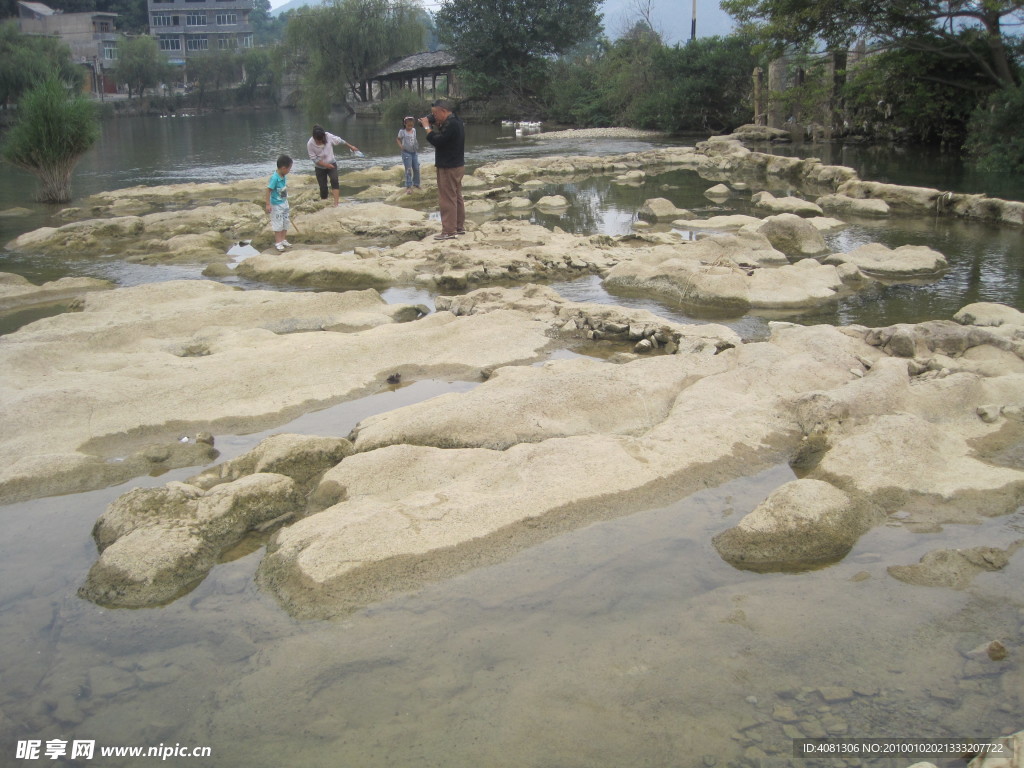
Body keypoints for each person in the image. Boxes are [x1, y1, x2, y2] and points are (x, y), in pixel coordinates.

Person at [420, 99, 465, 239]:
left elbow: (438, 141)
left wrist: (427, 128)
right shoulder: (456, 121)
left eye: (435, 113)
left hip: (448, 166)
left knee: (447, 198)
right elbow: (446, 139)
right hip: (457, 164)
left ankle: (449, 231)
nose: (434, 116)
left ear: (443, 111)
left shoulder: (451, 124)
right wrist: (437, 124)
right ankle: (458, 227)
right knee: (456, 197)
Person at [307, 124, 358, 207]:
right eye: (318, 141)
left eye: (321, 140)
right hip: (320, 167)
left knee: (334, 180)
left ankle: (336, 204)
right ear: (314, 137)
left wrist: (351, 146)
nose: (319, 142)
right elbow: (314, 159)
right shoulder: (310, 144)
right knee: (323, 187)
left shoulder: (328, 136)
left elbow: (340, 141)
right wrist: (326, 165)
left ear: (324, 136)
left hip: (332, 163)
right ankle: (324, 203)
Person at [265, 154, 292, 252]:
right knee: (278, 223)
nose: (289, 171)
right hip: (276, 205)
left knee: (286, 221)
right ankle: (278, 242)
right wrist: (268, 204)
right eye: (289, 169)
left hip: (284, 202)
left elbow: (283, 189)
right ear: (284, 168)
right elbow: (268, 190)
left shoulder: (283, 176)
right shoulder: (274, 178)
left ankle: (283, 239)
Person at [395, 116, 421, 192]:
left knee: (416, 167)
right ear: (404, 124)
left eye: (411, 125)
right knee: (408, 169)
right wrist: (401, 146)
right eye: (408, 125)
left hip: (414, 152)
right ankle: (408, 186)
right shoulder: (402, 131)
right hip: (406, 152)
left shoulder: (414, 130)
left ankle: (416, 184)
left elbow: (414, 140)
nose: (410, 127)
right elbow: (398, 139)